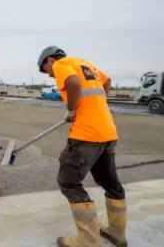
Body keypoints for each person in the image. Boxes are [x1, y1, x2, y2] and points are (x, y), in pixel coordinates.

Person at [37, 46, 127, 247]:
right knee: (110, 183)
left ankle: (88, 240)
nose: (51, 76)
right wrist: (94, 106)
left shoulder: (61, 64)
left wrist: (72, 109)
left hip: (86, 134)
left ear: (50, 60)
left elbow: (73, 82)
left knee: (69, 182)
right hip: (107, 131)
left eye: (48, 72)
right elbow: (107, 81)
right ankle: (117, 233)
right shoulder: (86, 64)